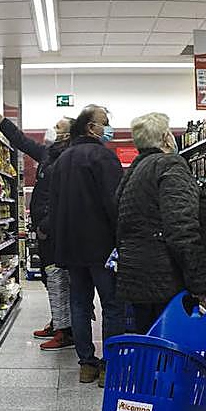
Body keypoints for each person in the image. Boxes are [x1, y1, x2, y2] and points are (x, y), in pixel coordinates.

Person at [114, 111, 206, 411]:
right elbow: (182, 230)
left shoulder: (133, 173)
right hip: (166, 282)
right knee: (174, 362)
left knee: (150, 362)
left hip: (137, 278)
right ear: (167, 139)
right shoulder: (171, 167)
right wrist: (200, 285)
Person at [45, 104, 125, 384]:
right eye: (105, 122)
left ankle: (86, 365)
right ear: (91, 128)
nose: (108, 127)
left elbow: (53, 206)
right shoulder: (104, 157)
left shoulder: (62, 160)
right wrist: (121, 239)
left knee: (79, 304)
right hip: (101, 247)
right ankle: (109, 366)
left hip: (71, 247)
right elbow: (115, 203)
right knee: (112, 306)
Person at [0, 107, 74, 350]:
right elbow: (21, 141)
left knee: (58, 278)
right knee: (49, 277)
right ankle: (59, 322)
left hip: (56, 230)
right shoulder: (48, 154)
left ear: (67, 135)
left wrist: (46, 225)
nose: (52, 130)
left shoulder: (68, 159)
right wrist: (0, 119)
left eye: (58, 127)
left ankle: (66, 331)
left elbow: (64, 199)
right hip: (44, 230)